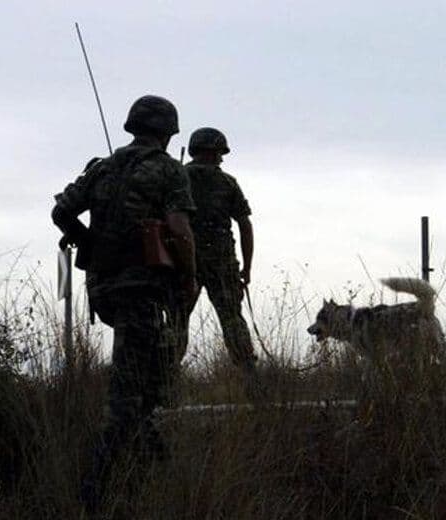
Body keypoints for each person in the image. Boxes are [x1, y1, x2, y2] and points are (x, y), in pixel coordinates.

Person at [51, 95, 197, 512]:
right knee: (128, 397)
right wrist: (189, 275)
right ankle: (95, 492)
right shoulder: (168, 170)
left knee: (150, 383)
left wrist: (91, 244)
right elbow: (179, 227)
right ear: (167, 132)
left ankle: (152, 467)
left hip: (105, 290)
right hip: (142, 292)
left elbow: (61, 212)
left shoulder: (102, 168)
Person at [182, 127, 263, 399]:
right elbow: (245, 225)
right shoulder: (228, 183)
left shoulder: (178, 177)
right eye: (219, 152)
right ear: (211, 152)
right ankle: (252, 382)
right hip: (221, 260)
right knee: (232, 319)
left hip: (185, 258)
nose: (221, 158)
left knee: (177, 320)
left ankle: (163, 384)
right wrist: (247, 268)